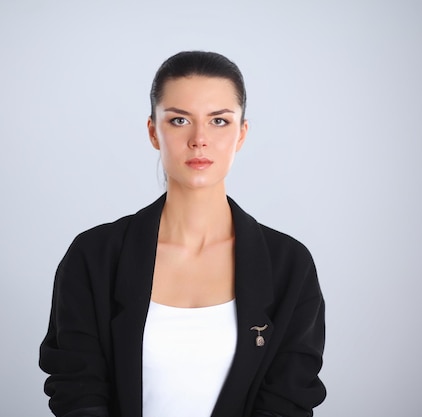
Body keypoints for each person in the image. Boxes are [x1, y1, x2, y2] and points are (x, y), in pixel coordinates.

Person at [39, 51, 326, 417]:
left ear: (242, 134)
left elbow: (289, 398)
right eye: (178, 120)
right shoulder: (94, 256)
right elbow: (77, 389)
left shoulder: (289, 265)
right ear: (152, 132)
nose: (199, 139)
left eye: (219, 121)